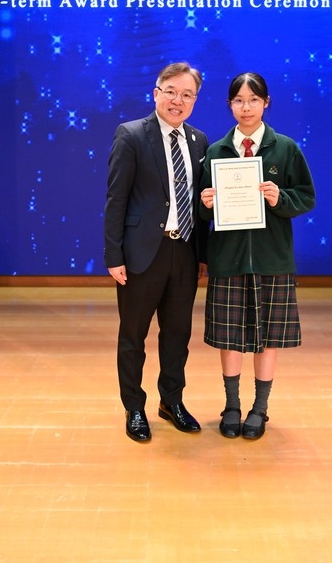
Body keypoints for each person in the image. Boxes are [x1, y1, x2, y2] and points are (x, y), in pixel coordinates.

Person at [200, 72, 316, 440]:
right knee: (229, 337)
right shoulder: (216, 152)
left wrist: (281, 198)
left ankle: (259, 408)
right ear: (229, 105)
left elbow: (306, 197)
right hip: (228, 260)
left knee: (267, 338)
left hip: (272, 259)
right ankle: (232, 405)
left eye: (253, 100)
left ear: (266, 103)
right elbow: (200, 211)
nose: (246, 107)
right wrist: (205, 204)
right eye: (238, 100)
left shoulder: (286, 148)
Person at [104, 62, 209, 443]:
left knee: (177, 334)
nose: (178, 100)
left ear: (194, 101)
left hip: (184, 251)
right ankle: (134, 407)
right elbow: (116, 199)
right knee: (133, 335)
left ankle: (172, 401)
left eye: (187, 94)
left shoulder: (199, 141)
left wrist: (203, 254)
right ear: (156, 93)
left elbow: (199, 203)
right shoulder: (131, 134)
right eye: (171, 92)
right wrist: (113, 255)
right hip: (141, 253)